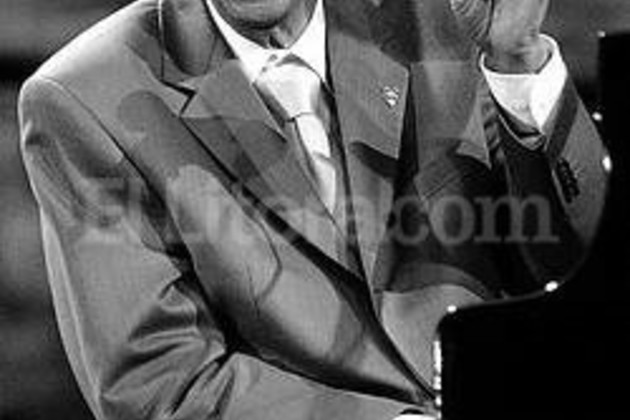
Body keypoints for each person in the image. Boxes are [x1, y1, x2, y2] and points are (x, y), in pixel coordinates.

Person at [18, 0, 608, 419]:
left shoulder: (439, 18)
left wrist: (516, 60)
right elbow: (159, 384)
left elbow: (578, 266)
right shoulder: (86, 97)